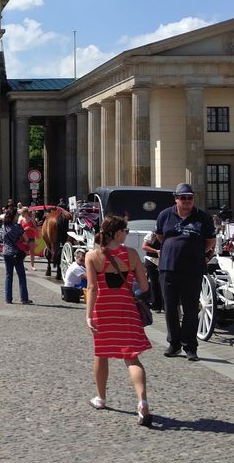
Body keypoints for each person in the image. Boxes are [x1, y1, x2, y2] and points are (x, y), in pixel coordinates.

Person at [85, 214, 152, 426]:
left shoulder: (92, 256)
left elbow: (92, 288)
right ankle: (142, 401)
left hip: (103, 310)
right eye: (126, 231)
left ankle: (101, 398)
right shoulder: (132, 255)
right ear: (118, 233)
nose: (128, 235)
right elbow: (144, 287)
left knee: (101, 353)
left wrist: (88, 315)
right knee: (132, 358)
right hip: (126, 310)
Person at [153, 182, 216, 361]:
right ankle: (174, 344)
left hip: (193, 270)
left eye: (190, 198)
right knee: (170, 308)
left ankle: (190, 347)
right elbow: (160, 236)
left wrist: (193, 252)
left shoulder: (202, 217)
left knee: (190, 309)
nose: (187, 201)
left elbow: (210, 241)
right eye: (183, 198)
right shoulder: (165, 215)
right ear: (176, 198)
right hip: (168, 268)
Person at [0, 206, 37, 305]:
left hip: (6, 253)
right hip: (16, 253)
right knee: (21, 276)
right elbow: (26, 239)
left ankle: (8, 298)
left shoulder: (4, 226)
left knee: (8, 276)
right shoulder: (18, 227)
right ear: (14, 216)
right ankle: (24, 298)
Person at [139, 230, 164, 312]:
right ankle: (156, 306)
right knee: (154, 283)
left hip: (163, 261)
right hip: (151, 260)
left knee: (163, 283)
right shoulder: (151, 235)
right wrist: (156, 251)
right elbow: (144, 246)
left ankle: (164, 305)